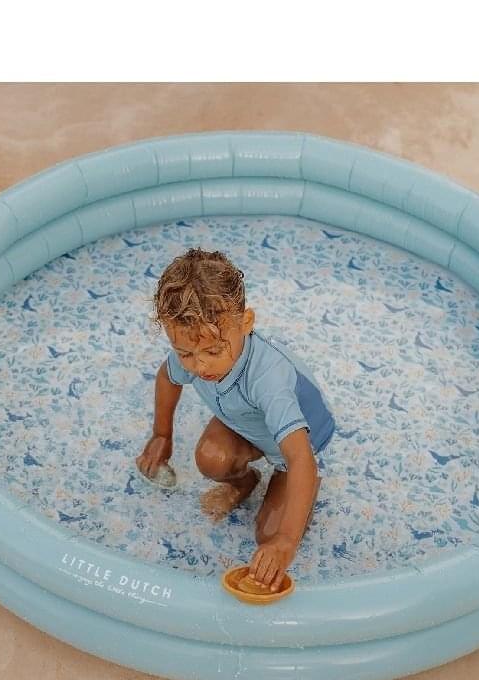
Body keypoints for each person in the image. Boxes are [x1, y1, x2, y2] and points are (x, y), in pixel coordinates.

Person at [136, 247, 336, 593]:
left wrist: (285, 542)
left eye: (213, 351)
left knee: (268, 535)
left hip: (298, 444)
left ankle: (295, 488)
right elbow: (168, 377)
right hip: (247, 421)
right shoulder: (196, 343)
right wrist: (161, 435)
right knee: (211, 458)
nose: (200, 366)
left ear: (245, 323)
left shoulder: (269, 379)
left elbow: (301, 457)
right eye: (186, 353)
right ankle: (245, 481)